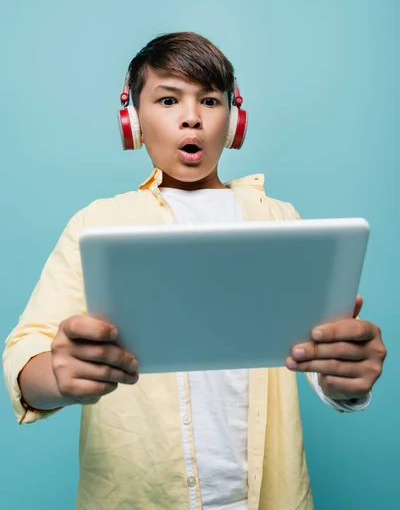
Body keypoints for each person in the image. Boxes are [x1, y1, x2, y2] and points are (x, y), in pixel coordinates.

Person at [2, 32, 386, 510]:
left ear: (233, 119)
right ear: (133, 120)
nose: (191, 116)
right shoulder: (96, 223)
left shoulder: (279, 219)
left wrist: (345, 379)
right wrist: (58, 378)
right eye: (167, 99)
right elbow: (27, 350)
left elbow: (319, 359)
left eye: (209, 99)